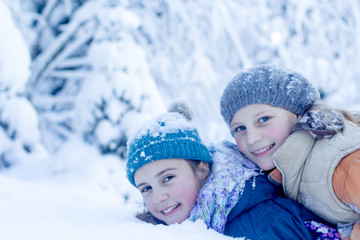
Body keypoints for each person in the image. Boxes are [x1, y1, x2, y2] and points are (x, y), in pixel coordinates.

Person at [126, 99, 338, 239]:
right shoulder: (180, 223)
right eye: (145, 188)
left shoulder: (264, 222)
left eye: (167, 178)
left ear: (201, 168)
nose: (158, 197)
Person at [220, 64, 360, 239]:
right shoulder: (290, 168)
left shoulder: (340, 164)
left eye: (264, 119)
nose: (252, 138)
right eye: (240, 128)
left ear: (297, 115)